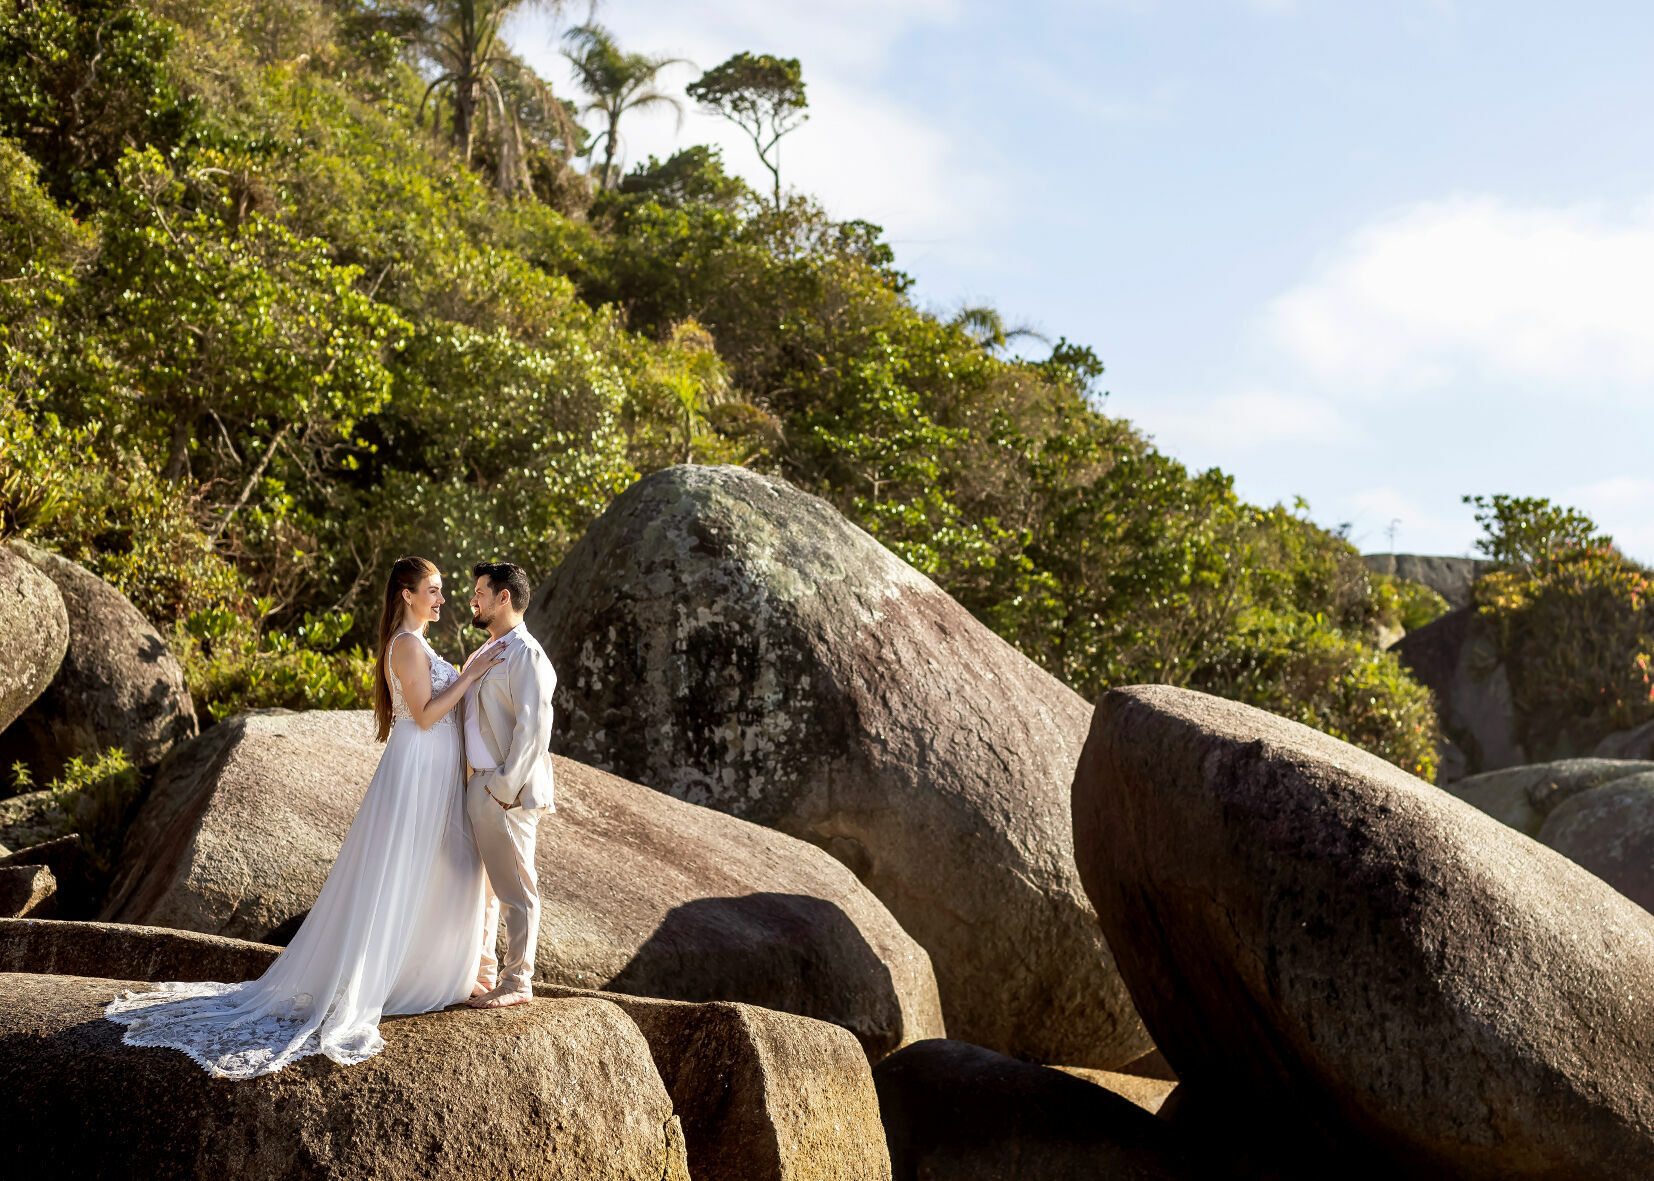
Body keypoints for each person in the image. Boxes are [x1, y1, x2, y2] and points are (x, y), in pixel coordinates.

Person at [103, 556, 506, 1078]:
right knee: (399, 866)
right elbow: (427, 715)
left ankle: (426, 967)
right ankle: (388, 976)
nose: (442, 598)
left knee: (427, 868)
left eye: (443, 589)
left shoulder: (420, 643)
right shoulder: (405, 646)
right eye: (433, 589)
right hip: (416, 766)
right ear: (406, 594)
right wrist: (472, 671)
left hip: (433, 769)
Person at [460, 560, 557, 1010]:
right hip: (479, 788)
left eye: (480, 591)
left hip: (507, 794)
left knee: (517, 888)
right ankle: (481, 974)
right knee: (483, 889)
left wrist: (502, 789)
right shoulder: (489, 650)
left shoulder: (527, 653)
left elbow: (534, 728)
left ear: (504, 598)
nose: (473, 599)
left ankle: (518, 981)